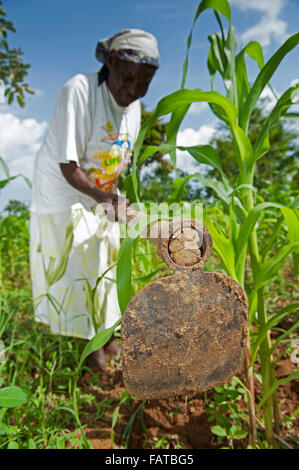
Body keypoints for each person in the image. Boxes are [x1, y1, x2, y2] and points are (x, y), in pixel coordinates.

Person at [29, 29, 159, 372]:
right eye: (126, 78)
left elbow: (116, 159)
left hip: (101, 191)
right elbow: (67, 165)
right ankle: (94, 353)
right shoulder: (80, 90)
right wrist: (105, 198)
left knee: (110, 259)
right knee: (84, 263)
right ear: (111, 62)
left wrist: (117, 202)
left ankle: (110, 335)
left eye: (142, 84)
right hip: (63, 189)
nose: (132, 91)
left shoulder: (133, 106)